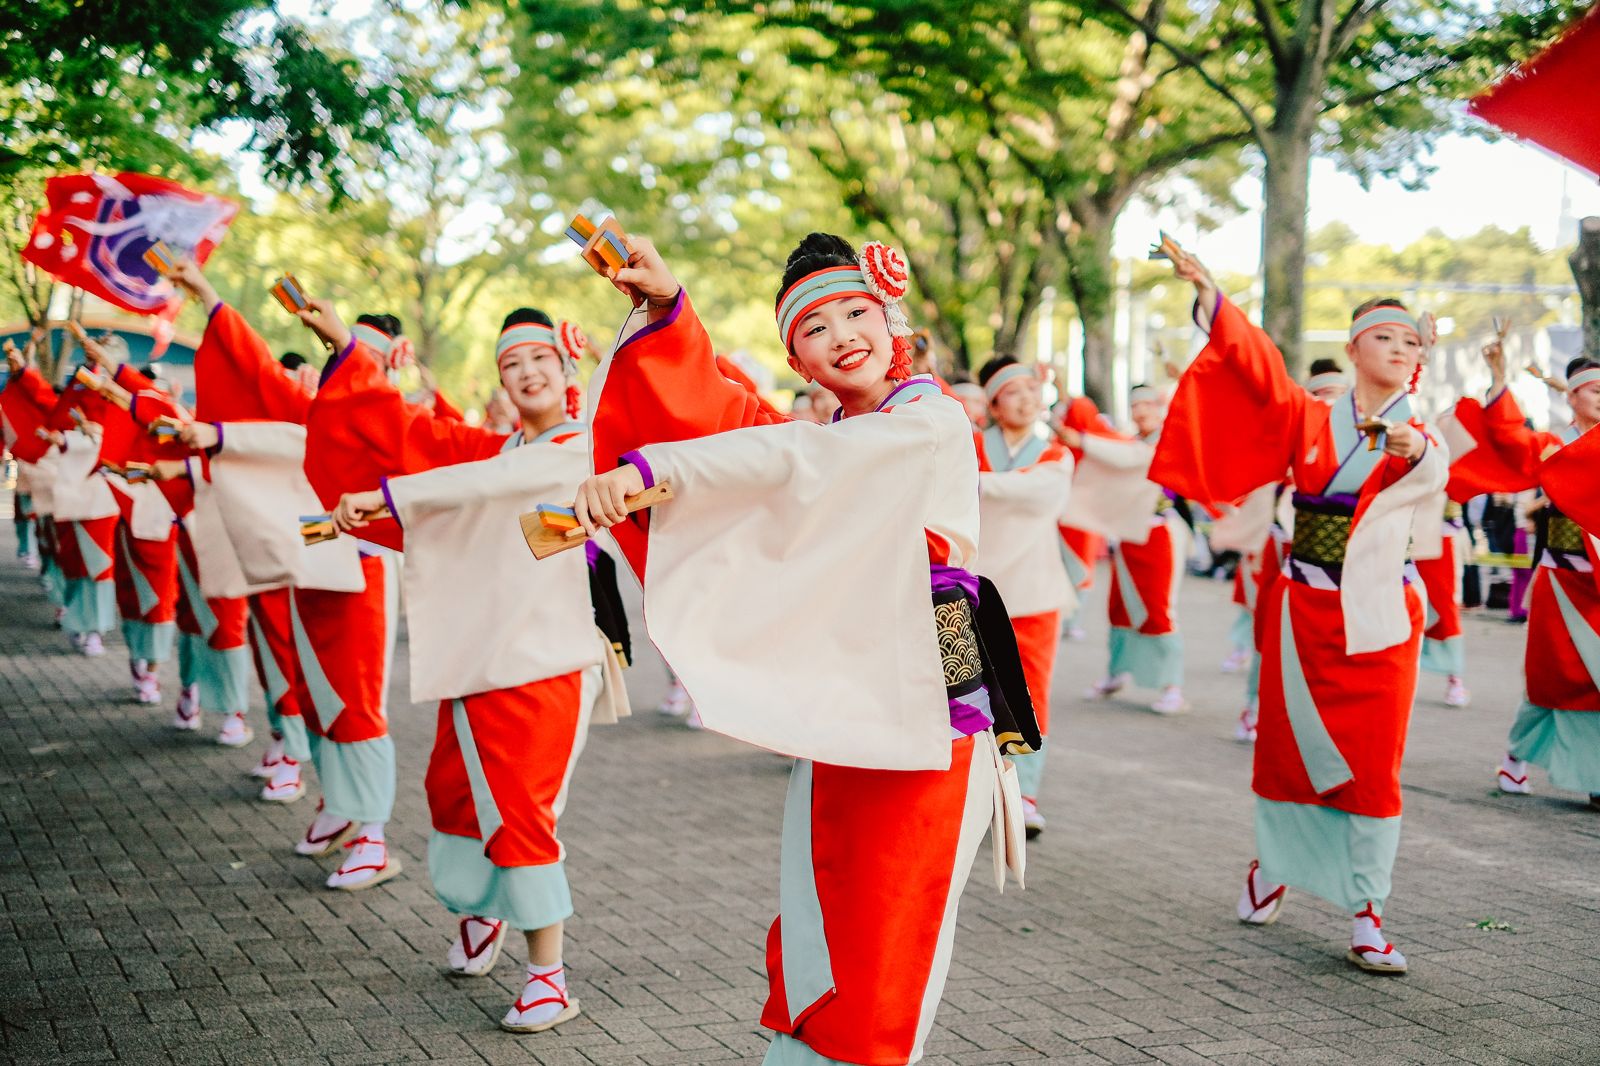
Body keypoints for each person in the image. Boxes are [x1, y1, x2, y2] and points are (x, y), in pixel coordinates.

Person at [573, 231, 1035, 1065]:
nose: (843, 335)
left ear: (894, 323)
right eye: (815, 330)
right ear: (801, 361)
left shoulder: (925, 419)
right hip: (856, 699)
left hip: (932, 710)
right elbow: (731, 419)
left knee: (882, 935)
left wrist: (658, 473)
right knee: (828, 908)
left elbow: (796, 456)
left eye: (857, 312)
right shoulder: (841, 428)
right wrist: (668, 307)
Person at [324, 303, 630, 1034]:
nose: (525, 374)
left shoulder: (578, 447)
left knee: (523, 811)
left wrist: (390, 495)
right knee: (454, 796)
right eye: (510, 366)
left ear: (567, 370)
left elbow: (470, 490)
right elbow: (423, 441)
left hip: (547, 657)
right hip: (480, 653)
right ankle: (482, 910)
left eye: (538, 361)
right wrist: (346, 347)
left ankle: (549, 977)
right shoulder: (495, 453)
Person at [1154, 249, 1446, 975]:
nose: (1399, 350)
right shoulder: (1309, 417)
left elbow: (1435, 470)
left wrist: (1411, 451)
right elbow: (1256, 366)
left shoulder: (1421, 432)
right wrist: (1213, 296)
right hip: (1301, 607)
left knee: (1375, 764)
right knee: (1288, 754)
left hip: (1378, 614)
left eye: (1411, 342)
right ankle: (1273, 866)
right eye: (1385, 337)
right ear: (1353, 350)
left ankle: (1367, 910)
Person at [1448, 345, 1600, 804]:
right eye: (1595, 390)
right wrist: (1498, 377)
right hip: (1564, 581)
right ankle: (1516, 758)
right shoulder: (1554, 447)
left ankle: (1591, 776)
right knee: (1554, 681)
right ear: (1572, 397)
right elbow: (1510, 436)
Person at [972, 354, 1074, 837]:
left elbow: (1041, 495)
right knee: (973, 691)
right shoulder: (972, 446)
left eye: (1032, 390)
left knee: (1031, 693)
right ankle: (975, 789)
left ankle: (1024, 793)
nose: (1028, 399)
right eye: (1014, 392)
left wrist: (979, 485)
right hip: (975, 588)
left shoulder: (1056, 453)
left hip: (1034, 592)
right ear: (993, 403)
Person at [1086, 384, 1190, 714]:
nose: (1141, 411)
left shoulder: (1168, 441)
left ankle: (1172, 686)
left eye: (1148, 404)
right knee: (1120, 606)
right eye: (1135, 405)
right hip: (1128, 534)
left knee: (1158, 607)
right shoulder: (1132, 443)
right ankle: (1117, 672)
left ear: (1161, 408)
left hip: (1158, 532)